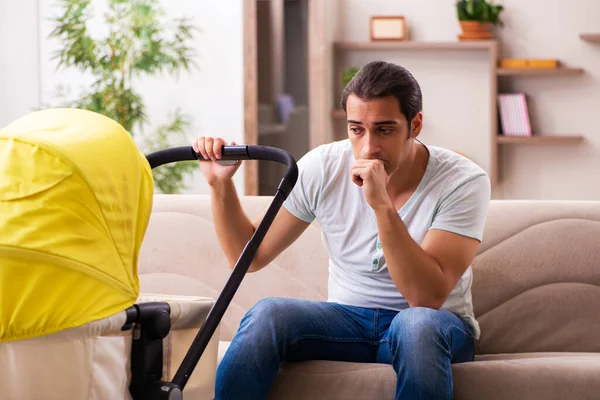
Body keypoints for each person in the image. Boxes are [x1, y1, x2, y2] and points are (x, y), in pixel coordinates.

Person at [193, 60, 491, 400]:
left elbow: (425, 298)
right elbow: (248, 255)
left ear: (415, 124)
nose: (368, 148)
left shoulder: (463, 181)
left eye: (384, 129)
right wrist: (219, 186)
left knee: (415, 326)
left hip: (435, 325)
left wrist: (381, 204)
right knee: (267, 313)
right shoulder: (322, 167)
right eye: (356, 129)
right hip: (347, 321)